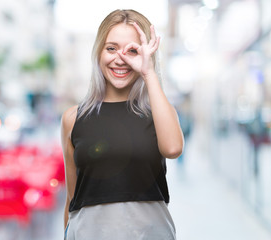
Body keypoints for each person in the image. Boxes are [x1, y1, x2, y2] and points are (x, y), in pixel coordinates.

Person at [61, 9, 184, 240]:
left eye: (133, 50)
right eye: (111, 48)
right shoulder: (72, 118)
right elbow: (71, 198)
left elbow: (173, 149)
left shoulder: (159, 113)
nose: (121, 59)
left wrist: (149, 73)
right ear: (98, 52)